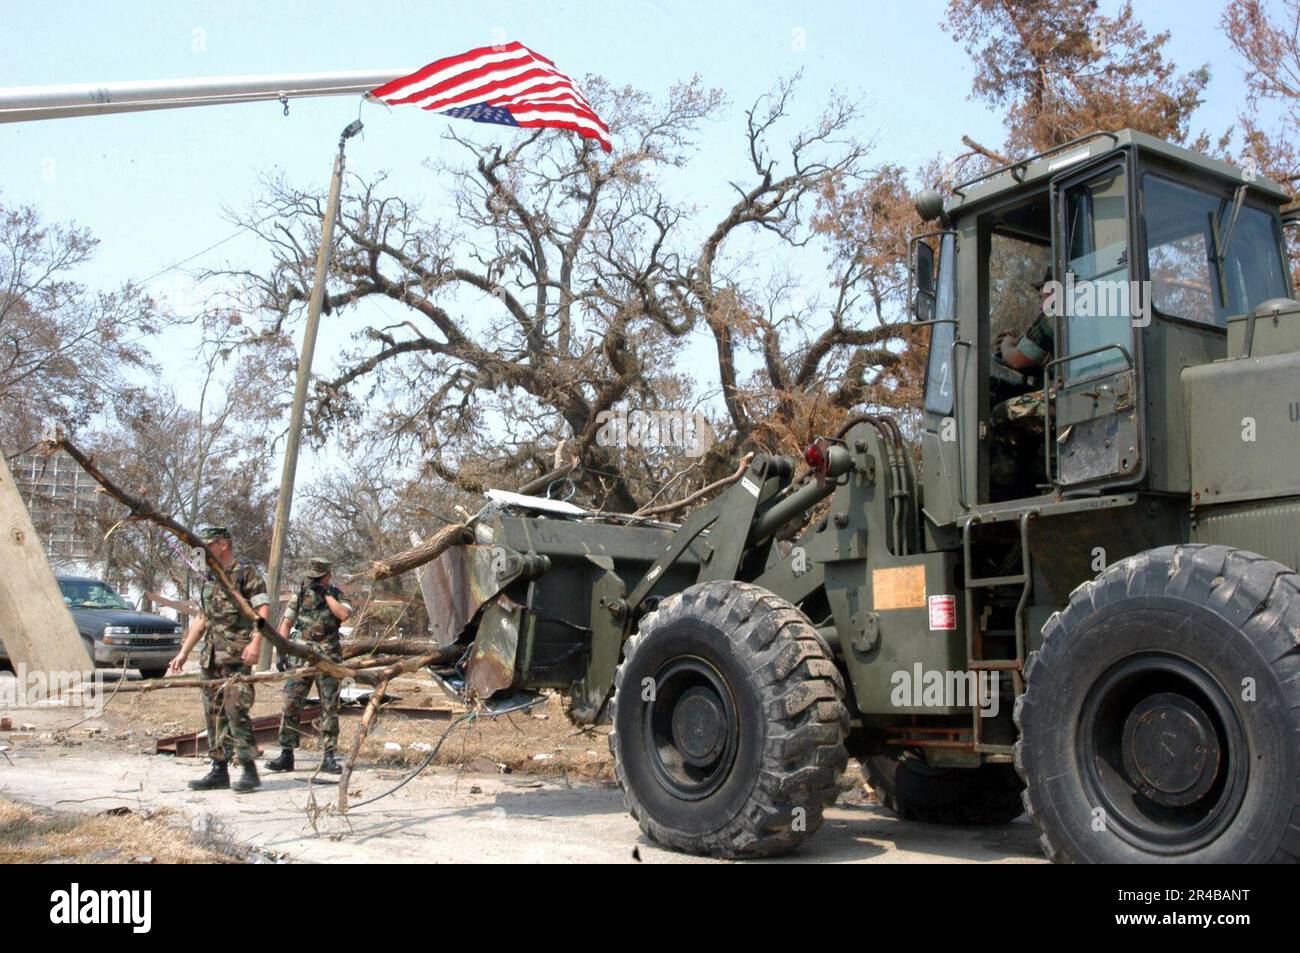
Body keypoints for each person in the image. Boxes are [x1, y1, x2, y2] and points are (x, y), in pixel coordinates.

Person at [167, 525, 269, 793]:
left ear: (223, 544)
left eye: (208, 544)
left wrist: (256, 642)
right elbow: (202, 618)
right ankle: (218, 770)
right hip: (210, 658)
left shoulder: (247, 574)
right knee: (213, 714)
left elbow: (263, 609)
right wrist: (184, 652)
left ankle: (249, 769)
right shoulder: (210, 580)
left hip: (236, 655)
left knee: (236, 711)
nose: (204, 550)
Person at [264, 557, 351, 775]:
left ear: (328, 576)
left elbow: (344, 614)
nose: (312, 581)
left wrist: (327, 594)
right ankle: (286, 753)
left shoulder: (336, 594)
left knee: (329, 706)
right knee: (291, 702)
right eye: (311, 578)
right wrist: (281, 650)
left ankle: (329, 755)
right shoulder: (300, 594)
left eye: (317, 578)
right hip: (301, 655)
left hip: (328, 657)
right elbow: (286, 623)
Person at [989, 271, 1055, 499]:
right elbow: (1036, 357)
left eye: (1042, 295)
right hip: (1077, 392)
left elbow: (1017, 358)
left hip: (1063, 396)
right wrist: (1018, 343)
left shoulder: (1054, 313)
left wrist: (1007, 345)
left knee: (1001, 413)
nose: (1040, 301)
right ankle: (1037, 472)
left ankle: (1005, 488)